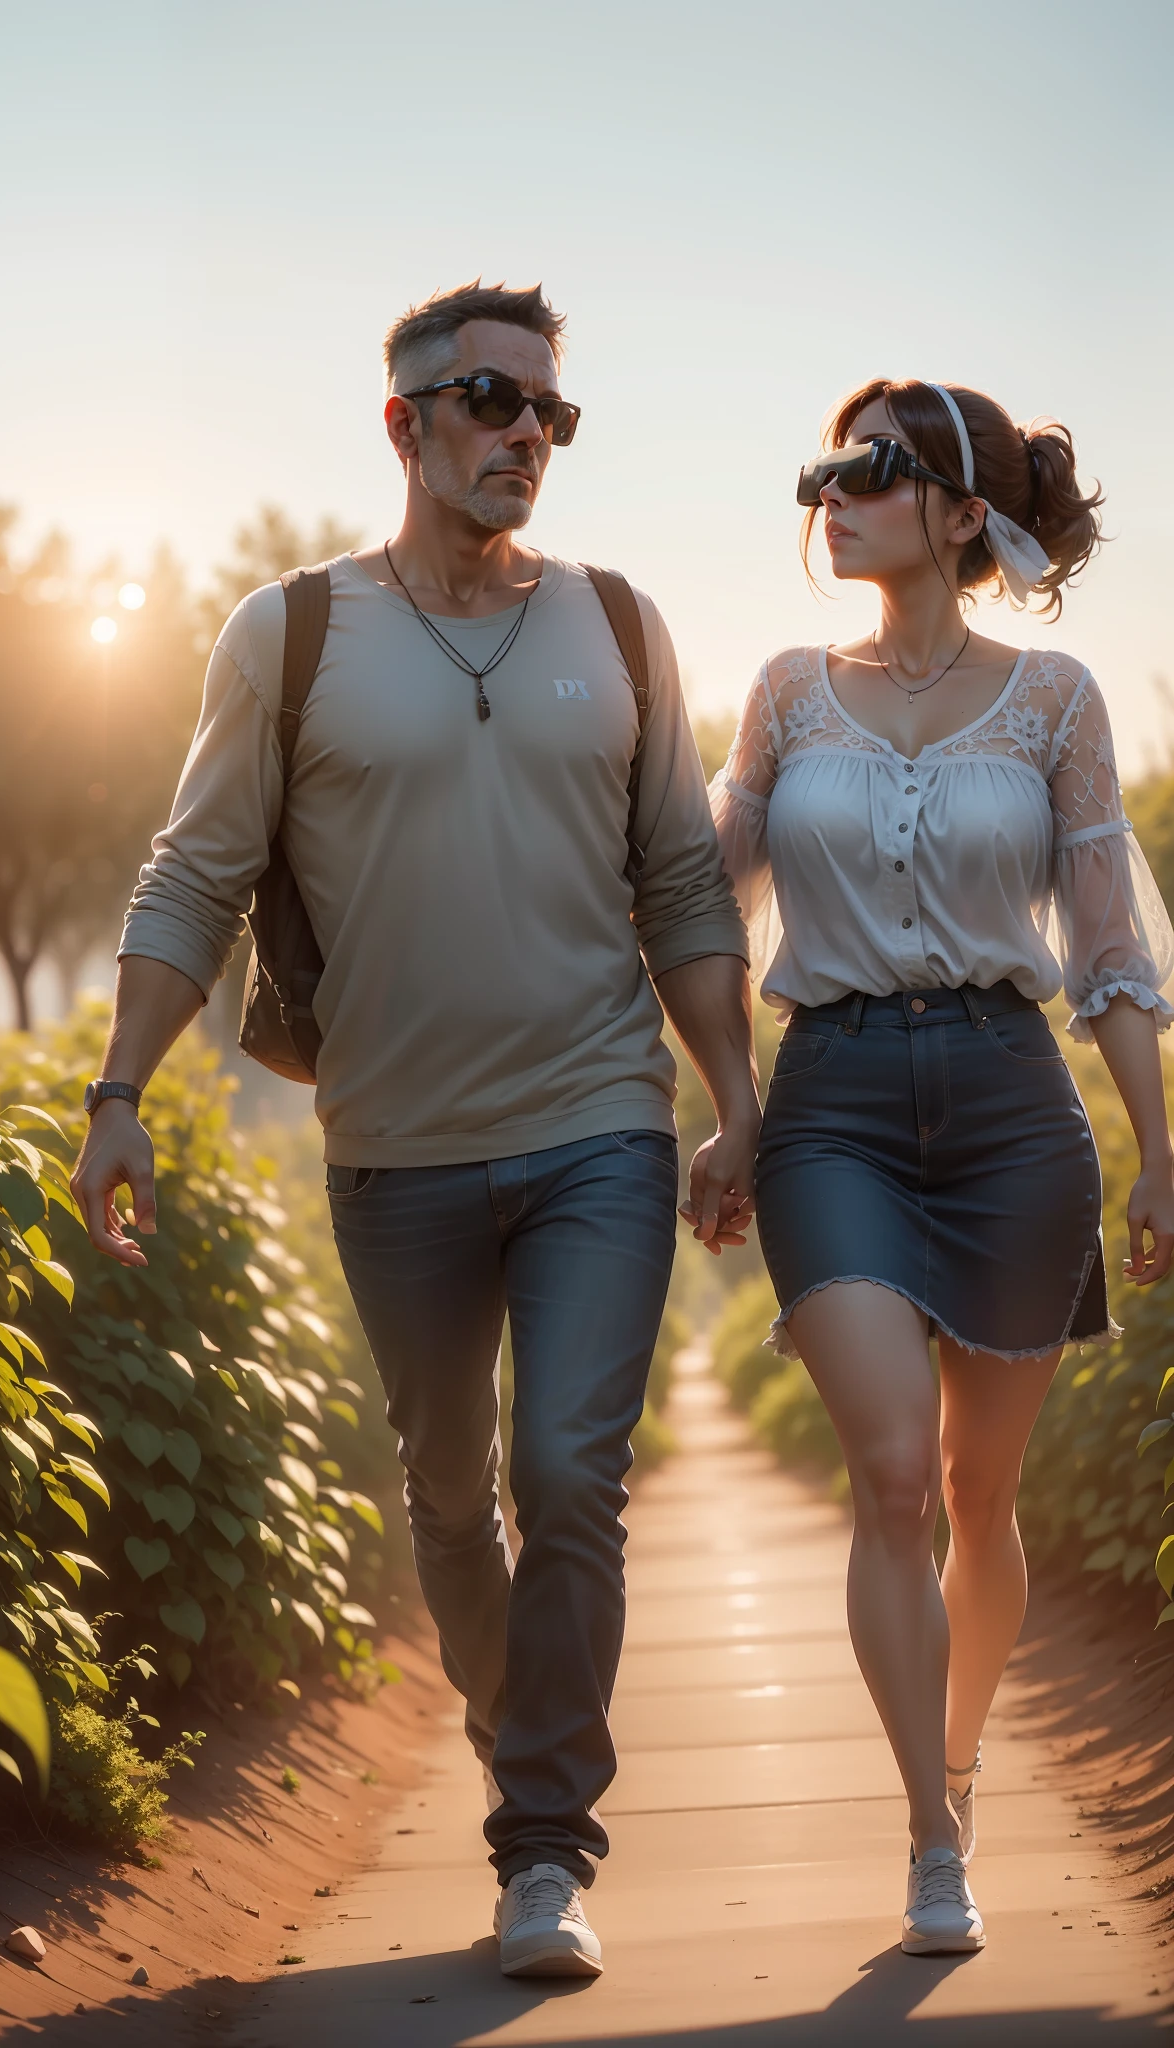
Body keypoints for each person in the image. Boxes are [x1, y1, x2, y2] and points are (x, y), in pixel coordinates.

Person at [68, 278, 760, 1979]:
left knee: (565, 1475)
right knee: (452, 1498)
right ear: (406, 424)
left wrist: (740, 1105)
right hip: (393, 1151)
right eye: (490, 401)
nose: (527, 433)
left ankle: (543, 1846)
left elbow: (680, 879)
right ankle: (511, 1714)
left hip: (601, 1120)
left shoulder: (622, 625)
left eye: (551, 412)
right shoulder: (289, 634)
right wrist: (119, 1095)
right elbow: (196, 876)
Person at [709, 377, 1174, 1956]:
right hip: (829, 1103)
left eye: (873, 469)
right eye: (824, 468)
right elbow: (701, 915)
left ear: (964, 512)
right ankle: (930, 1836)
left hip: (1010, 1110)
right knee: (896, 1477)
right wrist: (716, 1105)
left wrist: (1159, 1153)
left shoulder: (1056, 701)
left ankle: (963, 1760)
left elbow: (1108, 950)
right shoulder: (782, 694)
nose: (830, 491)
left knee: (984, 1489)